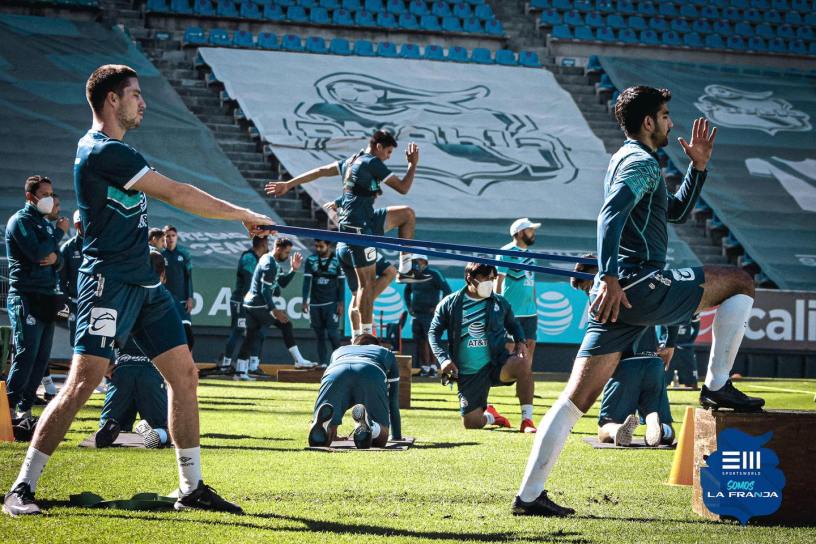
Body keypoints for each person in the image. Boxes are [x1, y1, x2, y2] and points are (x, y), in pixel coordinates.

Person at [3, 64, 274, 517]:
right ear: (112, 100)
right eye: (135, 94)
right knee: (83, 383)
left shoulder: (119, 152)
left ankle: (190, 487)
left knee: (184, 376)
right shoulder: (101, 151)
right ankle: (21, 487)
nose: (143, 102)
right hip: (108, 285)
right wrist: (243, 213)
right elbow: (178, 193)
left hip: (146, 285)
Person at [514, 86, 763, 517]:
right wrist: (609, 276)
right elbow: (609, 215)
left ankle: (529, 496)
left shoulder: (626, 158)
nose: (670, 123)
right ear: (648, 122)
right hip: (641, 284)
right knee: (740, 281)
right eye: (665, 115)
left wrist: (698, 167)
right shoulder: (641, 163)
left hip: (619, 295)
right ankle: (717, 385)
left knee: (574, 400)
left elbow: (676, 212)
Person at [266, 130, 429, 339]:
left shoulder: (351, 161)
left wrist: (289, 184)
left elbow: (321, 171)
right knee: (365, 287)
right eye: (388, 152)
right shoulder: (372, 162)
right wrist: (412, 164)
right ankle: (365, 336)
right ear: (378, 147)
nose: (388, 157)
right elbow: (403, 188)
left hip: (362, 223)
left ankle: (404, 270)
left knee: (407, 215)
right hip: (359, 230)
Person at [572, 256, 675, 447]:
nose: (588, 292)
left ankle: (617, 429)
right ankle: (656, 422)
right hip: (653, 363)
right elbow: (671, 307)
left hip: (625, 365)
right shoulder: (638, 286)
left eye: (586, 287)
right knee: (667, 432)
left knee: (605, 428)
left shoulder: (600, 302)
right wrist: (670, 344)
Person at [429, 262, 537, 433]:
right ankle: (491, 416)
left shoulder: (500, 302)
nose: (490, 283)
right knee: (472, 423)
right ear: (470, 278)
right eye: (485, 278)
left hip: (497, 363)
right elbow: (433, 333)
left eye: (492, 279)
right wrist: (443, 360)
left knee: (523, 363)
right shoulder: (449, 303)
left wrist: (520, 341)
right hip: (469, 372)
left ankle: (527, 420)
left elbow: (513, 324)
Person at [4, 175, 69, 420]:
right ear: (30, 197)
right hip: (25, 296)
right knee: (27, 353)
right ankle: (8, 408)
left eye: (51, 194)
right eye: (44, 195)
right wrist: (58, 234)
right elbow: (37, 253)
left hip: (47, 297)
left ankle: (26, 408)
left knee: (42, 358)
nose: (49, 199)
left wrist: (55, 258)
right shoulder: (20, 221)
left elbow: (57, 261)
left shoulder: (45, 224)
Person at [95, 252, 173, 449]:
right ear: (163, 276)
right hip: (151, 371)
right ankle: (157, 433)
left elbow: (104, 332)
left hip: (122, 370)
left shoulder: (121, 298)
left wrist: (107, 365)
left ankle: (111, 424)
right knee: (168, 428)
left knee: (110, 423)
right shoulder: (165, 302)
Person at [233, 237, 315, 380]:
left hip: (250, 304)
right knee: (286, 324)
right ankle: (299, 360)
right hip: (258, 305)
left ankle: (240, 372)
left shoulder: (271, 261)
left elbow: (282, 283)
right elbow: (265, 291)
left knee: (250, 336)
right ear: (278, 249)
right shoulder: (269, 264)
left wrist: (293, 270)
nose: (288, 256)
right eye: (286, 252)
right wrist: (274, 310)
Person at [309, 334, 401, 449]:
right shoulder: (385, 352)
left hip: (335, 372)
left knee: (324, 431)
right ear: (376, 345)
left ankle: (325, 426)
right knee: (381, 439)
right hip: (370, 371)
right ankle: (371, 427)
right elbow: (393, 400)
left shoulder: (339, 350)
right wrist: (397, 435)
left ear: (354, 344)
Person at [218, 235, 268, 373]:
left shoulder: (259, 259)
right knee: (238, 331)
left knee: (256, 332)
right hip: (241, 301)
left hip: (252, 303)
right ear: (263, 244)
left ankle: (253, 366)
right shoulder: (248, 258)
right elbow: (248, 282)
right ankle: (225, 365)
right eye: (267, 243)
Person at [496, 218, 541, 366]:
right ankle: (503, 375)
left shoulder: (531, 255)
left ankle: (525, 376)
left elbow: (532, 282)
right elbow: (498, 281)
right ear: (520, 233)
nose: (533, 233)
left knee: (530, 344)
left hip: (530, 311)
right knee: (509, 346)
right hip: (512, 310)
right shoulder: (505, 252)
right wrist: (498, 306)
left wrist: (535, 306)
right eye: (530, 230)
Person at [404, 255, 451, 377]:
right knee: (420, 341)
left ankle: (433, 367)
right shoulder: (412, 275)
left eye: (417, 261)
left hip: (430, 315)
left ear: (424, 261)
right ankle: (425, 367)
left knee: (431, 340)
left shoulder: (434, 274)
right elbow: (407, 291)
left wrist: (438, 307)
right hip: (416, 314)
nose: (415, 263)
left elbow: (447, 291)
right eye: (413, 261)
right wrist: (409, 307)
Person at [302, 239, 345, 366]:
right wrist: (304, 300)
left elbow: (341, 284)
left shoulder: (337, 261)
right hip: (315, 304)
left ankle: (339, 362)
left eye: (321, 246)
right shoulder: (311, 260)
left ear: (329, 246)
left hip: (331, 304)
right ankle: (322, 363)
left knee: (333, 334)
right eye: (316, 246)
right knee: (319, 335)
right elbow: (306, 282)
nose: (318, 249)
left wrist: (341, 302)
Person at [161, 225, 194, 350]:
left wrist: (190, 297)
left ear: (177, 237)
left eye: (173, 236)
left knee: (187, 335)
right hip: (167, 301)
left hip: (182, 301)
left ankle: (189, 361)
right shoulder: (160, 255)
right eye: (168, 236)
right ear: (164, 238)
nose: (170, 238)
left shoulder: (184, 255)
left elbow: (189, 277)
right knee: (167, 333)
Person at [660, 315, 701, 388]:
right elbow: (661, 329)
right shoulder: (665, 310)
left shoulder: (690, 310)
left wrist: (690, 341)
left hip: (685, 347)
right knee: (662, 381)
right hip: (668, 346)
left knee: (692, 382)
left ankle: (687, 381)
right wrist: (663, 342)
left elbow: (696, 327)